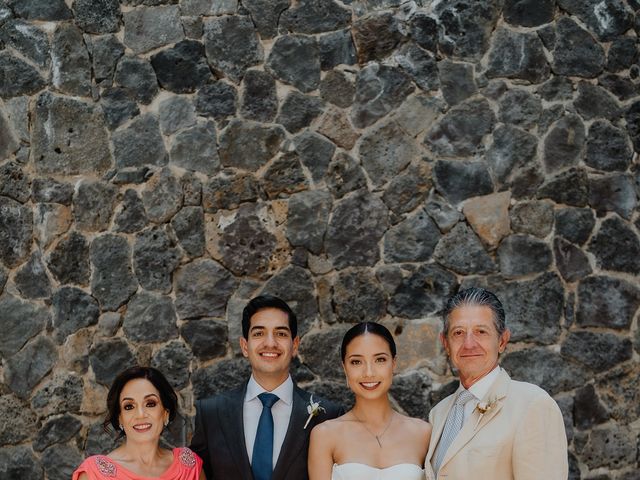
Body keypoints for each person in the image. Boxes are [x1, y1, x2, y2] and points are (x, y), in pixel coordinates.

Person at [190, 295, 342, 480]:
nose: (270, 343)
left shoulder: (329, 416)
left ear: (294, 345)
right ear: (245, 346)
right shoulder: (210, 414)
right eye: (259, 333)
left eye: (281, 333)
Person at [425, 287, 568, 479]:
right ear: (445, 343)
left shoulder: (532, 404)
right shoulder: (438, 414)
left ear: (502, 341)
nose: (469, 344)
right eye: (458, 333)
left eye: (481, 331)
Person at [308, 322, 431, 480]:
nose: (369, 372)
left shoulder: (423, 433)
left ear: (393, 364)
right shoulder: (324, 435)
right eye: (356, 362)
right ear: (345, 368)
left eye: (379, 359)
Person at [73, 366, 205, 480]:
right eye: (129, 406)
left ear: (165, 413)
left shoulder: (189, 467)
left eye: (150, 404)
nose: (140, 414)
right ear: (120, 418)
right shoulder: (93, 474)